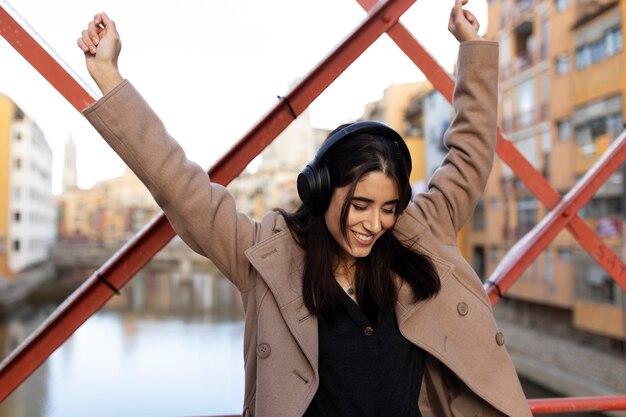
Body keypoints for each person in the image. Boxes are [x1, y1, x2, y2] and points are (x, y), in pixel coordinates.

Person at [77, 1, 532, 416]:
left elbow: (470, 154)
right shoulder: (265, 256)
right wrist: (109, 79)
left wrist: (473, 50)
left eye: (390, 208)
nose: (375, 224)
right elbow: (179, 185)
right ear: (320, 189)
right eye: (361, 205)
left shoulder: (417, 233)